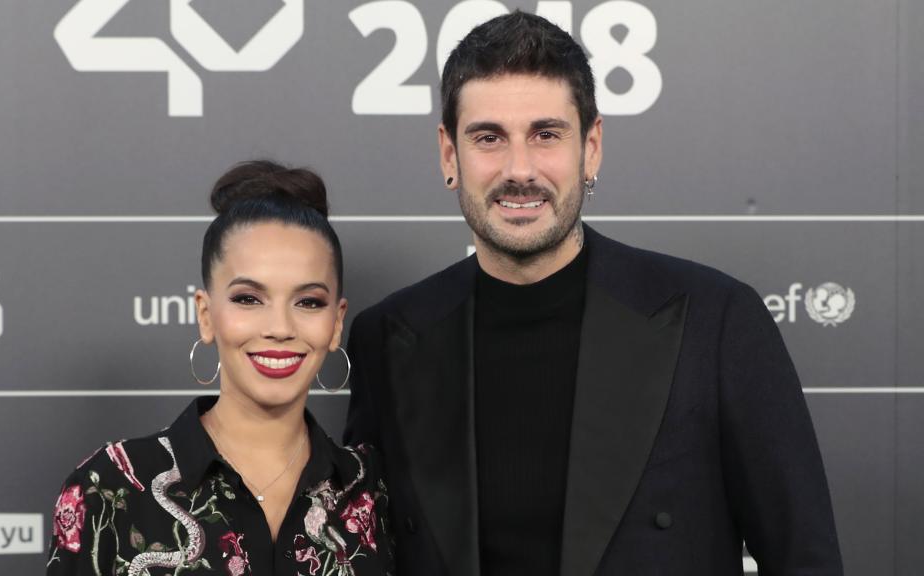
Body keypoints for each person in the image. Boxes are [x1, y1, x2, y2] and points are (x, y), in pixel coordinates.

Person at [343, 11, 842, 576]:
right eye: (488, 138)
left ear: (593, 146)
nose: (519, 169)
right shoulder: (388, 338)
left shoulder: (717, 322)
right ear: (449, 155)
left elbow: (805, 559)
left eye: (546, 135)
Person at [47, 161, 393, 576]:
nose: (279, 328)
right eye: (248, 299)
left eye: (308, 302)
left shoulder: (372, 489)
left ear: (336, 323)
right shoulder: (110, 486)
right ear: (206, 315)